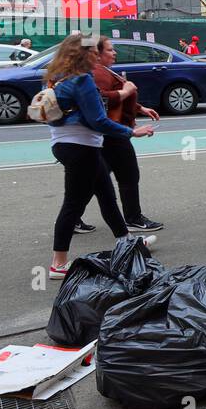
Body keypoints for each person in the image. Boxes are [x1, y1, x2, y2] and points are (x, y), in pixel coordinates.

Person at [45, 32, 156, 280]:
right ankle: (58, 264)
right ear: (81, 54)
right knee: (73, 203)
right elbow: (98, 120)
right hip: (81, 147)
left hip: (67, 144)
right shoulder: (82, 79)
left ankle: (126, 244)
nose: (96, 59)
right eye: (93, 53)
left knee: (106, 195)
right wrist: (131, 132)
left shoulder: (58, 77)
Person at [76, 37, 163, 234]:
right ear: (96, 54)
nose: (114, 53)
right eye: (110, 50)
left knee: (96, 178)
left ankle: (73, 217)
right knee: (129, 175)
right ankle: (132, 218)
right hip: (113, 132)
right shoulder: (97, 74)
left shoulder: (103, 71)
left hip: (110, 132)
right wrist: (126, 92)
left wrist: (139, 108)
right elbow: (101, 99)